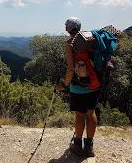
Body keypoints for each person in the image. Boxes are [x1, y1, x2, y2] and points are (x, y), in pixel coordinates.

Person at [55, 17, 100, 157]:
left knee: (80, 114)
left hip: (78, 85)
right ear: (79, 28)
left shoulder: (69, 44)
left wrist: (64, 85)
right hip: (94, 82)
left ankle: (77, 145)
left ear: (67, 29)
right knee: (91, 113)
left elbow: (70, 69)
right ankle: (89, 147)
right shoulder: (91, 39)